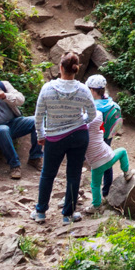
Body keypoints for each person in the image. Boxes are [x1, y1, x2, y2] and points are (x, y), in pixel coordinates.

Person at [33, 52, 97, 223]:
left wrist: (41, 136)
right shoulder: (83, 89)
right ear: (76, 70)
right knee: (74, 175)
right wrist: (80, 121)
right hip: (78, 136)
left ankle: (40, 212)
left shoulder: (47, 89)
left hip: (54, 138)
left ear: (60, 67)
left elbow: (38, 117)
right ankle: (68, 215)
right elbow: (93, 114)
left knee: (48, 174)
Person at [83, 104, 130, 213]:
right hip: (109, 157)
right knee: (122, 151)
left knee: (95, 185)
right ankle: (127, 172)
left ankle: (96, 205)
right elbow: (99, 114)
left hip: (96, 165)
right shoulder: (99, 122)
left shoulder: (84, 132)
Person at [86, 74, 121, 142]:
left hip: (95, 140)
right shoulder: (112, 104)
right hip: (108, 135)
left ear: (92, 91)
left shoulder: (93, 108)